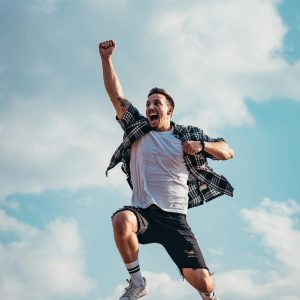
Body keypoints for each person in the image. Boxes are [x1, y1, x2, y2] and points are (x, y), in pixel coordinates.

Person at [99, 39, 234, 300]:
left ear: (169, 110)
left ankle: (210, 297)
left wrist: (202, 145)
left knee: (202, 282)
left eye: (156, 103)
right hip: (144, 214)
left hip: (175, 219)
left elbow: (227, 150)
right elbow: (117, 97)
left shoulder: (185, 135)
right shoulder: (137, 129)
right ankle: (137, 283)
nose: (150, 107)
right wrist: (106, 60)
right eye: (148, 103)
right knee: (121, 220)